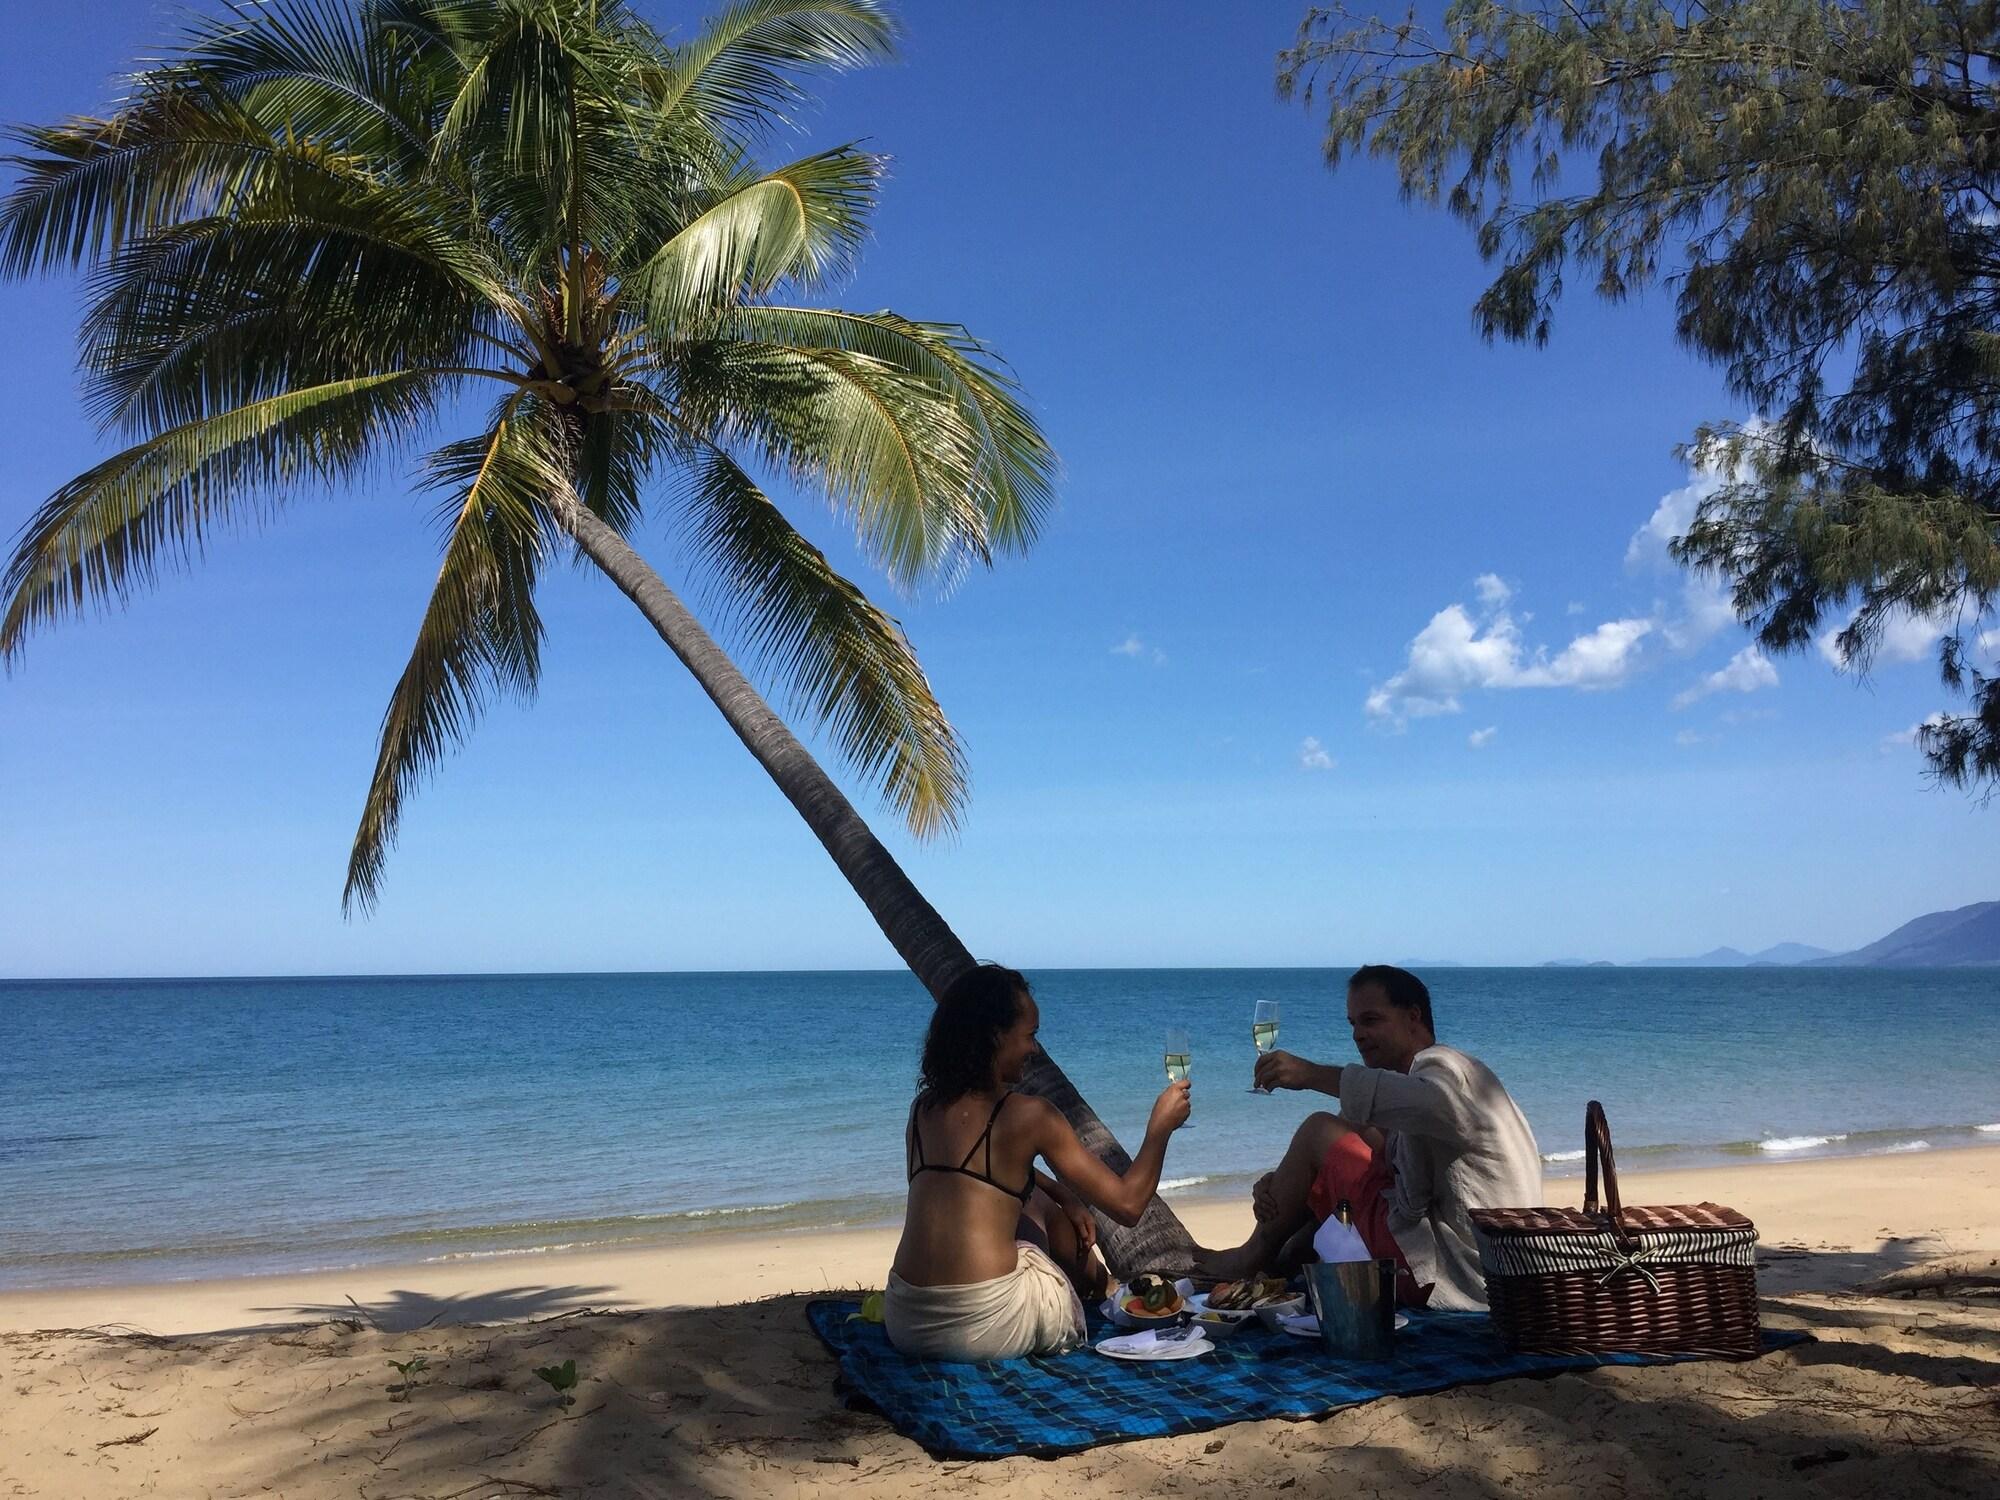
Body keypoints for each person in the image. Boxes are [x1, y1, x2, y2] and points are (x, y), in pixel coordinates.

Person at [885, 963, 1191, 1362]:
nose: (1034, 1049)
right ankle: (1107, 1288)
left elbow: (975, 1174)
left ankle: (1108, 1285)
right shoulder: (1031, 1115)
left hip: (906, 1319)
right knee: (1039, 1212)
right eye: (1029, 1036)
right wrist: (1160, 1129)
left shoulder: (922, 1109)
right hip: (981, 1327)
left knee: (1030, 1199)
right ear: (995, 1037)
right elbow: (1129, 1206)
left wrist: (1061, 1191)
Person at [1198, 964, 1540, 1311]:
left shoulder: (1442, 1068)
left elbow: (1429, 1104)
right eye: (1353, 1024)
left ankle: (1250, 1258)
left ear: (1413, 1017)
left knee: (1318, 1128)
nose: (1357, 1035)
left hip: (1457, 1273)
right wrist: (1283, 1183)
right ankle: (1279, 1259)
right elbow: (1363, 1135)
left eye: (1371, 1020)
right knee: (1334, 1142)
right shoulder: (1431, 1082)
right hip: (1498, 1268)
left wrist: (1311, 1074)